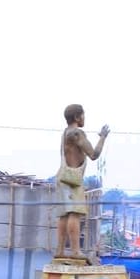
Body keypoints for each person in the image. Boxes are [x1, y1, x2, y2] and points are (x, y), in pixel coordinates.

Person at [54, 104, 109, 259]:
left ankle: (60, 250)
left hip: (62, 176)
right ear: (77, 117)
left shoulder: (65, 133)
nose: (84, 118)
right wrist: (102, 137)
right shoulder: (77, 133)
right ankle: (75, 251)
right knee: (75, 213)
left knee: (64, 214)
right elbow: (94, 154)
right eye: (83, 115)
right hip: (72, 179)